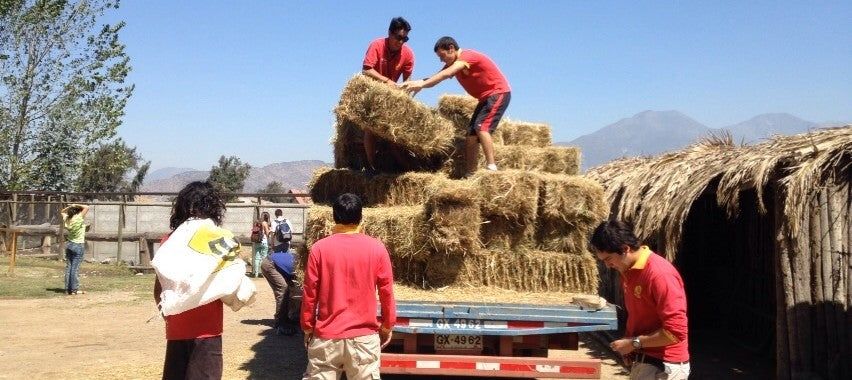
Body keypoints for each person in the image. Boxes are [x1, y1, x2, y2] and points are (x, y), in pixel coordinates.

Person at [152, 181, 256, 380]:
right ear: (214, 208)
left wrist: (169, 315)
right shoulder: (219, 239)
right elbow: (231, 277)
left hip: (176, 328)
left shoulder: (170, 241)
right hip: (208, 330)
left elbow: (159, 288)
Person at [301, 193, 396, 380]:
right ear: (360, 217)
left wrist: (308, 327)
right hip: (363, 339)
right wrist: (387, 325)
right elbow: (386, 291)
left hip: (326, 337)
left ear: (334, 216)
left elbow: (309, 293)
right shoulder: (376, 248)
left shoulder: (319, 249)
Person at [588, 220, 690, 379]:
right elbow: (638, 316)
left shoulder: (660, 275)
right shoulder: (628, 272)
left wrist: (634, 343)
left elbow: (676, 332)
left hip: (663, 366)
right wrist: (631, 345)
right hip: (646, 361)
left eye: (608, 259)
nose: (607, 266)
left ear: (625, 249)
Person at [401, 36, 511, 178]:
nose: (441, 60)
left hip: (498, 93)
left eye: (442, 56)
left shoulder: (467, 56)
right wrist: (415, 84)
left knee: (482, 127)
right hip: (485, 99)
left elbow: (447, 73)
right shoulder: (453, 63)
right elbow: (437, 76)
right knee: (471, 135)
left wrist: (421, 85)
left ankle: (492, 168)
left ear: (451, 48)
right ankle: (470, 173)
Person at [361, 16, 414, 178]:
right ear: (390, 33)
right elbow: (366, 70)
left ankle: (407, 169)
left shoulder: (408, 54)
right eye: (399, 37)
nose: (401, 42)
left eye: (405, 38)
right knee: (371, 128)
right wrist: (387, 81)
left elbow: (407, 81)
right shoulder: (377, 45)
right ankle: (371, 166)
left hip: (391, 96)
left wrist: (406, 99)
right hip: (371, 92)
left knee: (394, 133)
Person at [260, 250, 299, 335]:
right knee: (283, 289)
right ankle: (280, 322)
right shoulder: (304, 264)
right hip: (270, 264)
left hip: (278, 266)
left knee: (290, 290)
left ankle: (287, 317)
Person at [61, 203, 89, 295]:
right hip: (78, 245)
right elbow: (87, 207)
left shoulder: (67, 219)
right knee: (75, 269)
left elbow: (62, 211)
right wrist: (75, 204)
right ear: (78, 212)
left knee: (69, 267)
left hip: (69, 244)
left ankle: (67, 289)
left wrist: (70, 207)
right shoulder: (78, 218)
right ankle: (74, 289)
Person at [252, 211, 272, 278]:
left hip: (257, 242)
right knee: (264, 258)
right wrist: (270, 231)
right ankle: (263, 273)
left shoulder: (257, 222)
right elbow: (267, 233)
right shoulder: (264, 223)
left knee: (257, 258)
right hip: (264, 242)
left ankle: (256, 273)